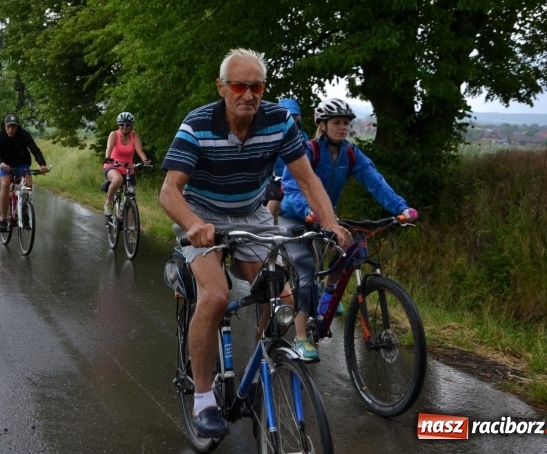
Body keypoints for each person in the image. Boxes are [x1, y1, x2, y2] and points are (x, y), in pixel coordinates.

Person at [159, 48, 351, 439]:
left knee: (281, 296)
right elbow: (169, 191)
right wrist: (194, 224)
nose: (248, 94)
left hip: (251, 213)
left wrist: (329, 222)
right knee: (215, 296)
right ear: (222, 87)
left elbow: (309, 179)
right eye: (239, 85)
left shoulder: (278, 121)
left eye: (257, 85)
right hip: (202, 214)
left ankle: (266, 365)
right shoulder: (197, 125)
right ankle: (202, 400)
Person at [278, 97, 418, 362]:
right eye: (337, 123)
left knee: (355, 247)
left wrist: (400, 208)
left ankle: (328, 295)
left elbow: (375, 182)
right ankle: (300, 338)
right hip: (296, 216)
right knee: (306, 271)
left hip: (326, 216)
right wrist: (309, 213)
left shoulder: (350, 154)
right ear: (322, 124)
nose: (343, 128)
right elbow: (293, 187)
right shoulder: (308, 151)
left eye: (346, 123)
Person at [0, 113, 50, 232]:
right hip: (5, 165)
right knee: (5, 184)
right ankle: (3, 219)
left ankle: (24, 214)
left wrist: (42, 164)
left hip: (22, 164)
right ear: (4, 126)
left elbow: (35, 149)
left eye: (14, 127)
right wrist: (1, 164)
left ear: (17, 127)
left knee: (28, 184)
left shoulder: (24, 135)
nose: (11, 129)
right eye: (8, 126)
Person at [264, 96, 308, 223]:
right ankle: (266, 233)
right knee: (274, 204)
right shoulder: (273, 135)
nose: (291, 121)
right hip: (276, 178)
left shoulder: (303, 136)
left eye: (293, 118)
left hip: (296, 179)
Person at [102, 111, 151, 216]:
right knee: (118, 180)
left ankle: (126, 216)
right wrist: (108, 158)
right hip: (112, 165)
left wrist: (145, 161)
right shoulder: (114, 134)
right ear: (118, 124)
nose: (125, 127)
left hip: (128, 168)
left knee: (131, 192)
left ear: (131, 125)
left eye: (128, 124)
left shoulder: (134, 135)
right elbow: (109, 147)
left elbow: (139, 150)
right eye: (122, 124)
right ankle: (109, 202)